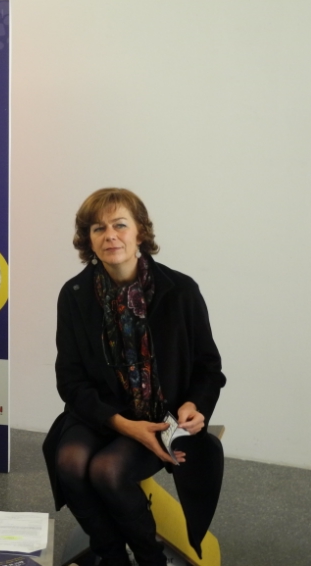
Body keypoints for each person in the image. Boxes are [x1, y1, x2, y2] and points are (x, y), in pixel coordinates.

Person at [42, 189, 226, 566]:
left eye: (120, 225)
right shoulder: (74, 295)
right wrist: (121, 423)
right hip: (99, 412)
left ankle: (149, 559)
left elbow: (209, 367)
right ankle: (112, 557)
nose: (110, 235)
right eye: (99, 228)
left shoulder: (181, 291)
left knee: (107, 470)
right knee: (70, 462)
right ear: (89, 240)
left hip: (159, 416)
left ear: (140, 231)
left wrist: (195, 405)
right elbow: (70, 380)